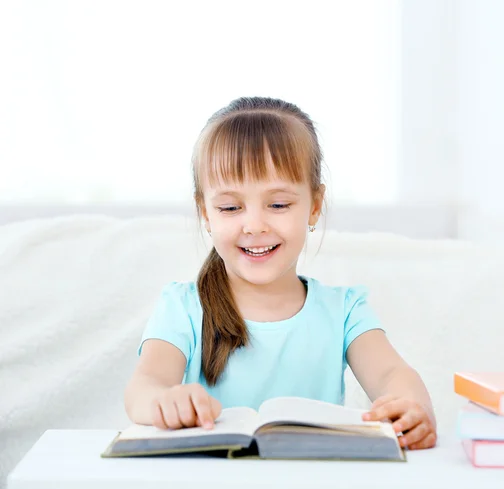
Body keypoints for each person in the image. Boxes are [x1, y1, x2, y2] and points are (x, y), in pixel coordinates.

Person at [124, 97, 437, 450]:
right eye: (230, 207)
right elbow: (144, 385)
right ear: (205, 213)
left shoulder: (346, 310)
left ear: (314, 206)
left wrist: (411, 407)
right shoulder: (182, 307)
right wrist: (164, 402)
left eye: (278, 205)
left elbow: (391, 374)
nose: (255, 225)